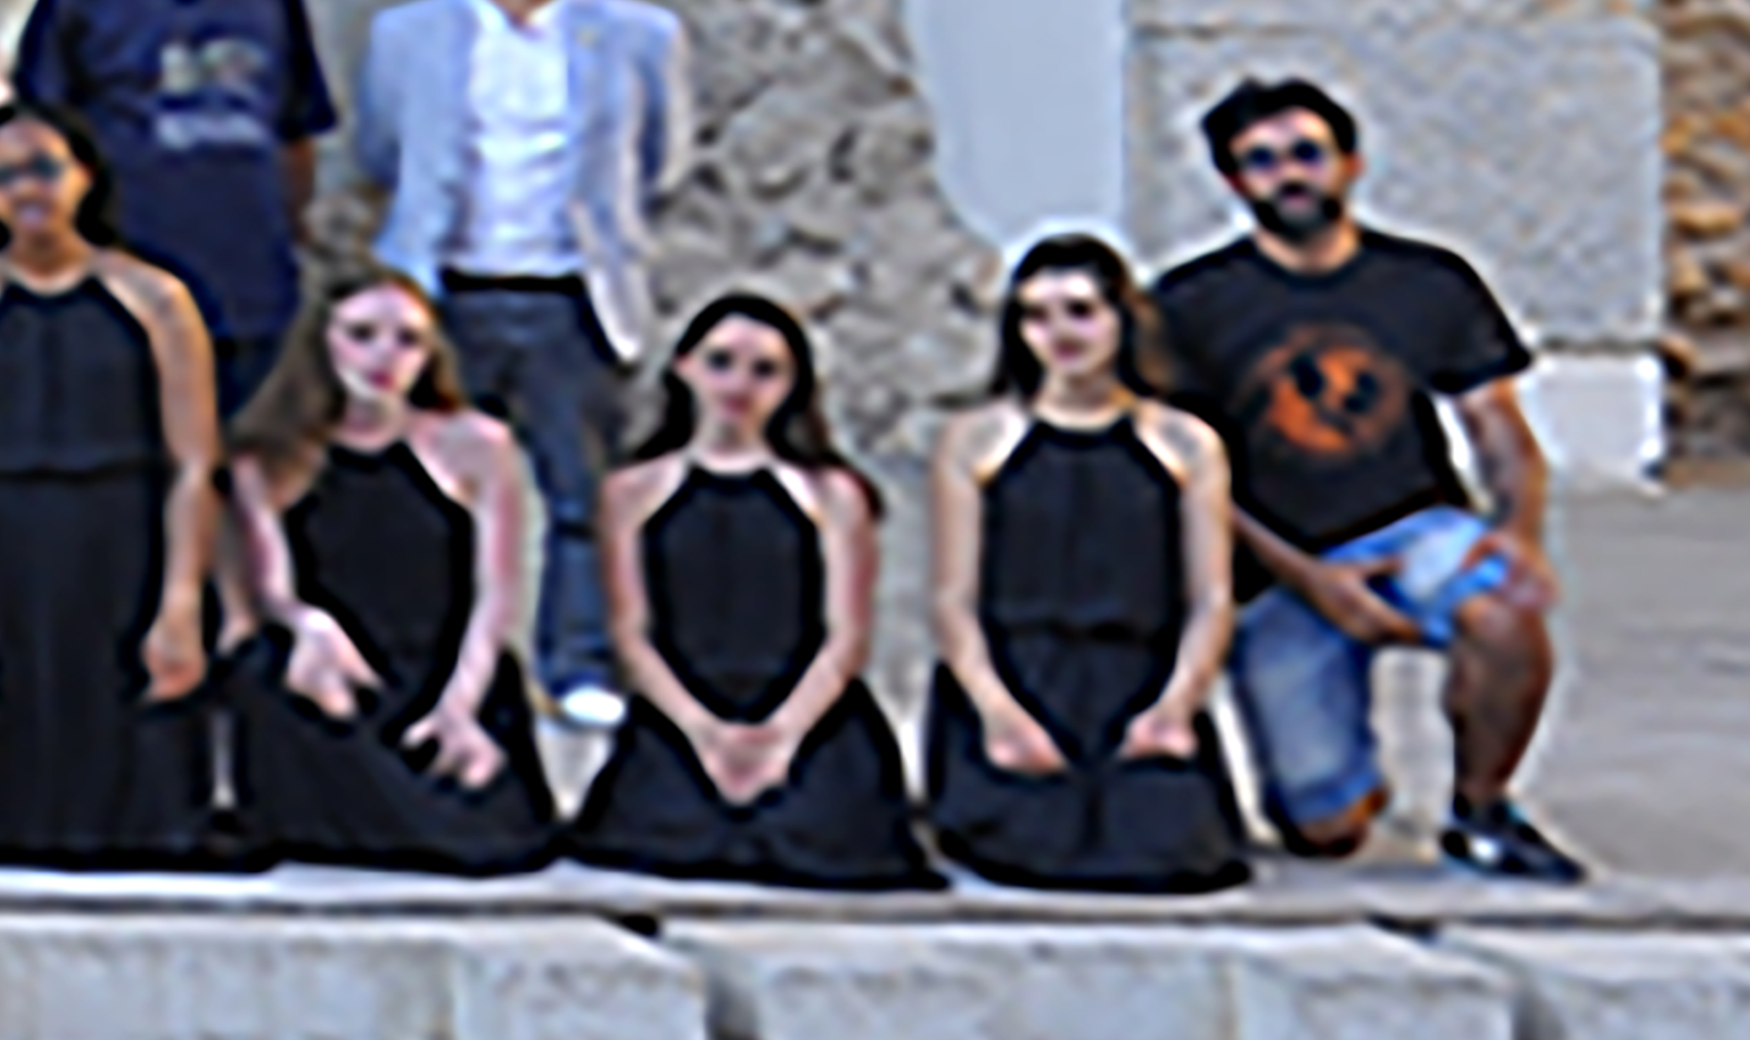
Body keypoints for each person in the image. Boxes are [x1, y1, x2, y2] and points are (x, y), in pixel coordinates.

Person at [1154, 77, 1583, 883]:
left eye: (1307, 155)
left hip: (1410, 528)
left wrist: (1517, 533)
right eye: (1262, 161)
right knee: (1325, 833)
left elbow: (1496, 427)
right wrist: (1312, 580)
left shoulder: (1428, 283)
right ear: (1231, 182)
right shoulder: (1190, 304)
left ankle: (1481, 808)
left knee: (1502, 613)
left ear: (1350, 163)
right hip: (1276, 566)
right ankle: (1346, 779)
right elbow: (1191, 477)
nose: (1289, 176)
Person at [346, 0, 688, 719]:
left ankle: (576, 665)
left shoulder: (638, 36)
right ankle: (432, 658)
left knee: (579, 490)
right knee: (429, 482)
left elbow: (661, 158)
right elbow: (383, 150)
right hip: (441, 289)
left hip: (570, 289)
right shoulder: (406, 35)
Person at [0, 105, 225, 869]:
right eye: (0, 175)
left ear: (84, 175)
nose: (24, 189)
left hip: (119, 534)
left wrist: (179, 601)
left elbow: (193, 462)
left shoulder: (156, 298)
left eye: (41, 166)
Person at [567, 290, 928, 890]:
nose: (739, 384)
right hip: (683, 709)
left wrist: (781, 737)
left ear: (793, 385)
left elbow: (845, 636)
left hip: (805, 712)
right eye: (721, 362)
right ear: (683, 367)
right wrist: (704, 733)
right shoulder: (631, 490)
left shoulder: (833, 493)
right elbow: (632, 634)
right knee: (667, 838)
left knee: (819, 841)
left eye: (765, 370)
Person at [926, 236, 1254, 895]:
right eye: (1035, 315)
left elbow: (1210, 597)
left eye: (1079, 311)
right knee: (1025, 849)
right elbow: (952, 601)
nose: (1059, 334)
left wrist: (1174, 707)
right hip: (1021, 675)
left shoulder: (1185, 441)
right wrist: (998, 714)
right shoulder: (977, 437)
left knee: (1172, 855)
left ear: (1120, 318)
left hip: (1136, 677)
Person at [215, 268, 565, 876]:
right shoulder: (271, 454)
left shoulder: (475, 444)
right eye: (362, 334)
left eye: (408, 340)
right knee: (266, 671)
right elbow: (272, 585)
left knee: (481, 841)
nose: (384, 356)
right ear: (323, 342)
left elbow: (495, 595)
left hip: (440, 668)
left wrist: (460, 706)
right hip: (338, 671)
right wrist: (309, 625)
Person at [5, 0, 339, 393]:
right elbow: (40, 135)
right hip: (130, 267)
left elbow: (296, 127)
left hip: (249, 280)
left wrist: (291, 231)